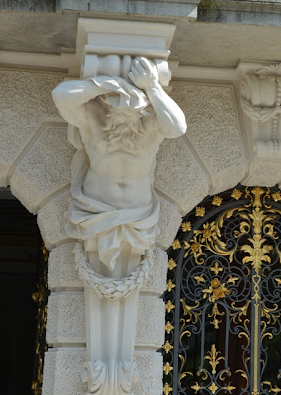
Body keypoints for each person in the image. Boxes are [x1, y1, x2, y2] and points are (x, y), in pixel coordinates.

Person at [52, 57, 187, 278]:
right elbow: (60, 95)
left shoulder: (150, 126)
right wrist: (106, 83)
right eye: (118, 102)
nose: (125, 106)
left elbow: (178, 127)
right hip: (95, 211)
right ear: (106, 102)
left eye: (133, 104)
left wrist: (153, 87)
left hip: (139, 215)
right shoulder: (93, 118)